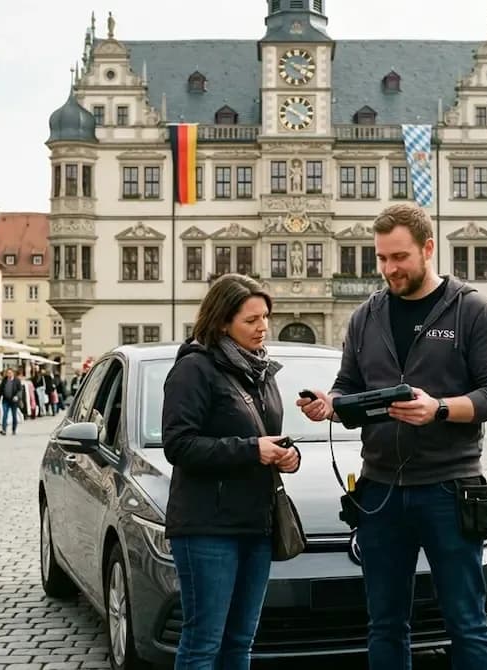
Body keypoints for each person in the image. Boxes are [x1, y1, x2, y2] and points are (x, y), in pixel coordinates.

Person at [298, 203, 487, 670]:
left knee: (466, 622)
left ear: (428, 248)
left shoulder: (470, 309)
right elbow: (348, 389)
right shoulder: (364, 317)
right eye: (382, 259)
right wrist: (330, 404)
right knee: (385, 623)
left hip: (448, 489)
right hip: (380, 493)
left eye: (399, 257)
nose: (389, 269)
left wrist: (437, 409)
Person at [161, 273, 300, 670]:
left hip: (256, 524)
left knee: (241, 641)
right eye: (251, 320)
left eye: (265, 318)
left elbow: (267, 437)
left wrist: (287, 457)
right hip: (208, 527)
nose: (263, 327)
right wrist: (251, 450)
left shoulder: (261, 372)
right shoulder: (194, 370)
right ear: (223, 322)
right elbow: (179, 445)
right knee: (204, 642)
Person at [0, 368, 22, 436]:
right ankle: (4, 430)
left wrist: (17, 396)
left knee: (14, 415)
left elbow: (20, 390)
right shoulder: (4, 380)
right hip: (6, 400)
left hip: (13, 401)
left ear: (13, 373)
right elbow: (1, 390)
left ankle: (14, 430)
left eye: (10, 373)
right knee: (4, 414)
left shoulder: (17, 380)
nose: (9, 374)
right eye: (8, 373)